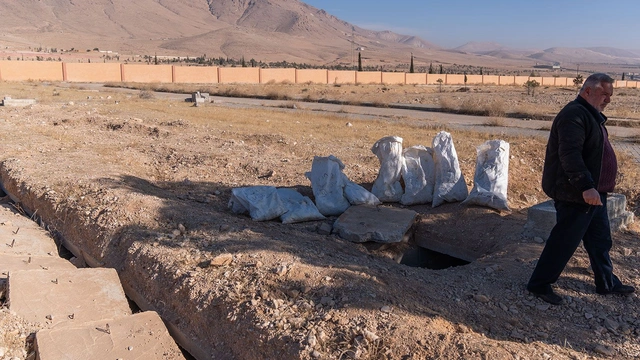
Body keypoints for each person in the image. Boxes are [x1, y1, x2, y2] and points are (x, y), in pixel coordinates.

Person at [527, 73, 635, 305]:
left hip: (595, 194)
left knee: (600, 241)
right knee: (564, 241)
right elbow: (570, 155)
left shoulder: (591, 114)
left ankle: (606, 283)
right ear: (587, 91)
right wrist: (586, 186)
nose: (608, 99)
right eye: (604, 94)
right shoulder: (574, 115)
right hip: (577, 194)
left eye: (610, 95)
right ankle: (539, 284)